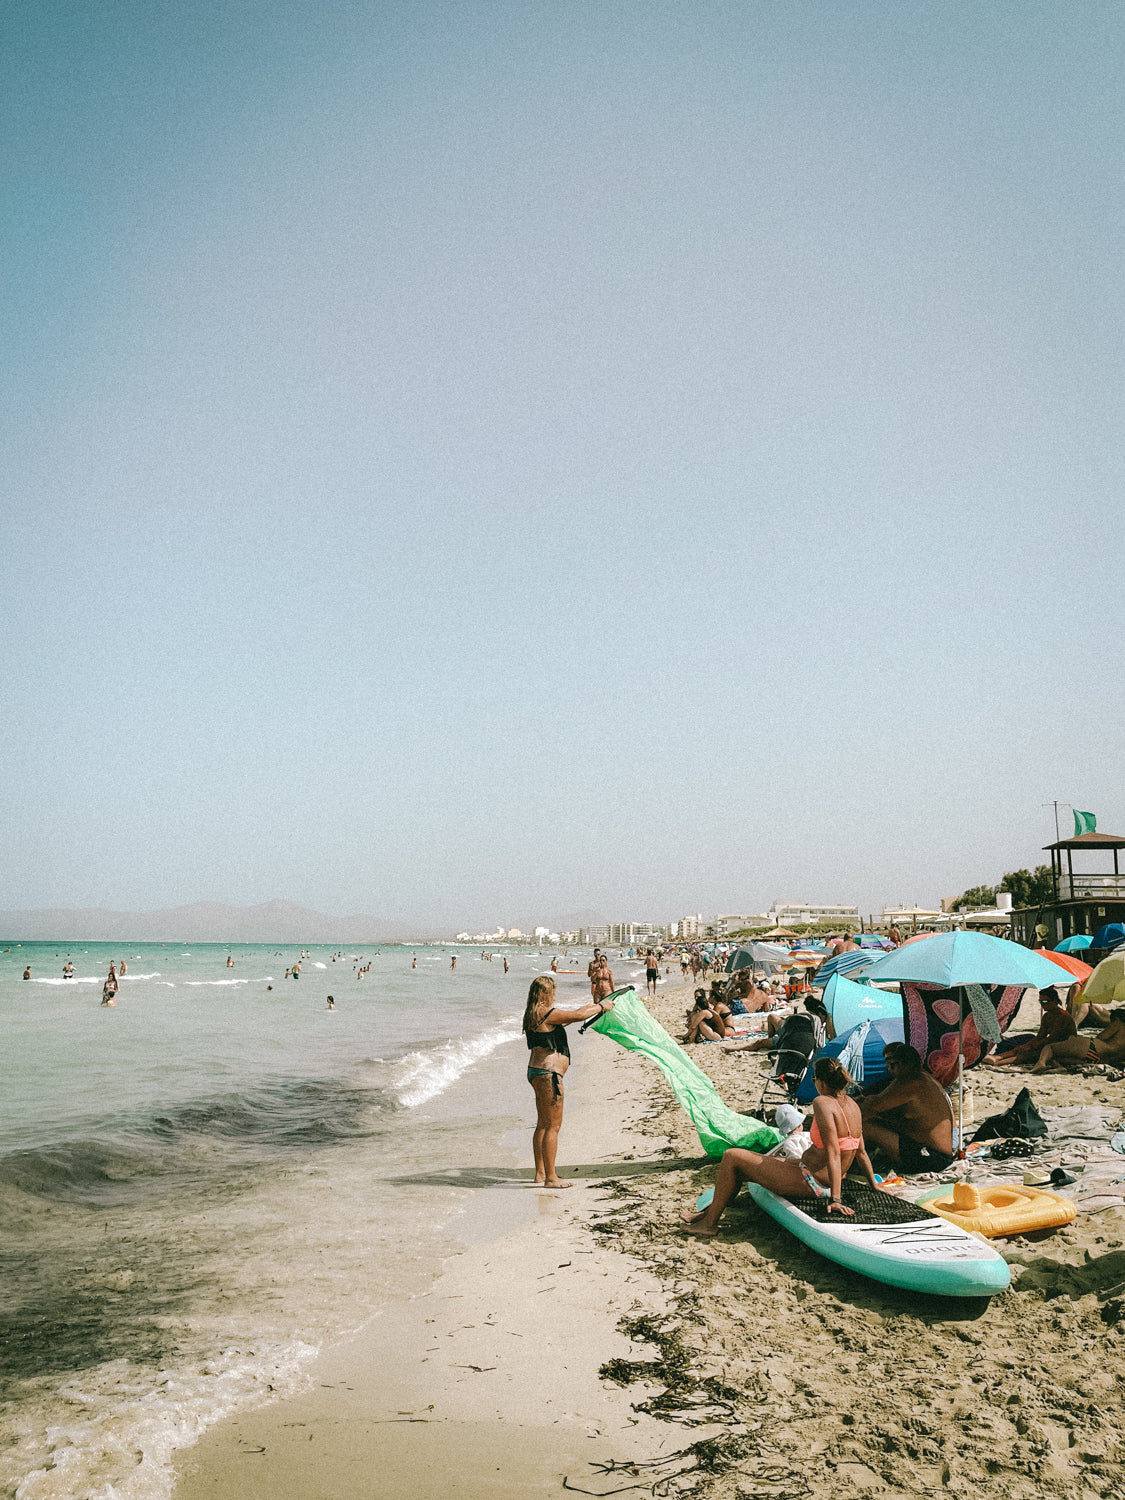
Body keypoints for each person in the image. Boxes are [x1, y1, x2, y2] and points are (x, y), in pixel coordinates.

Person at [681, 1056, 879, 1234]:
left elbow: (833, 1152)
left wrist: (835, 1199)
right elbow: (860, 1152)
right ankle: (707, 1215)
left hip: (812, 1181)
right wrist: (875, 1186)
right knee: (744, 1167)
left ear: (821, 1081)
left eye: (813, 1080)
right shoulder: (853, 1106)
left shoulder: (822, 1102)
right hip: (811, 1173)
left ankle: (708, 1226)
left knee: (732, 1156)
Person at [523, 974, 615, 1189]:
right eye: (552, 992)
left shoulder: (532, 1014)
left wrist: (588, 1008)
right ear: (545, 994)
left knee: (542, 1125)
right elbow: (577, 1015)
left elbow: (569, 1017)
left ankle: (540, 1173)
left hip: (536, 1072)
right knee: (553, 1126)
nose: (555, 995)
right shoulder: (544, 1012)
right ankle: (551, 1178)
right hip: (549, 1075)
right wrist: (602, 1007)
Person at [860, 1043, 957, 1172]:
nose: (888, 1068)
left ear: (899, 1064)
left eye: (890, 1064)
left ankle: (851, 1166)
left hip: (932, 1158)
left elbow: (871, 1107)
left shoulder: (912, 1083)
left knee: (867, 1126)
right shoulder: (924, 1078)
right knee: (878, 1121)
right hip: (940, 1154)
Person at [984, 988, 1075, 1067]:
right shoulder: (1047, 1016)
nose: (1042, 1005)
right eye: (1040, 1002)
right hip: (1050, 1044)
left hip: (1062, 1046)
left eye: (1045, 1002)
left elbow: (1053, 1039)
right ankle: (997, 1057)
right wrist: (1026, 1046)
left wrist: (1031, 1046)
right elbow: (1040, 1036)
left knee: (1028, 1053)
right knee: (1020, 1047)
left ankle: (997, 1063)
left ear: (1055, 1001)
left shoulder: (1063, 1017)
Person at [1031, 1007, 1125, 1072]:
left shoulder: (1119, 1023)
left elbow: (1101, 1037)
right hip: (1100, 1060)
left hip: (1094, 1047)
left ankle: (1040, 1064)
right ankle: (1059, 1067)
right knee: (1055, 1057)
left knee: (1050, 1048)